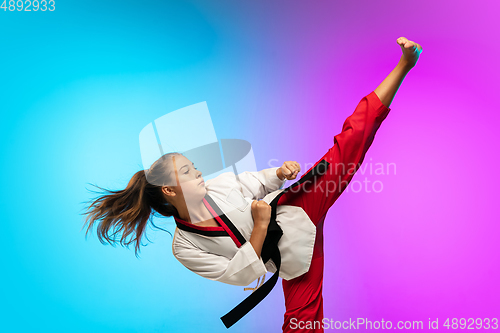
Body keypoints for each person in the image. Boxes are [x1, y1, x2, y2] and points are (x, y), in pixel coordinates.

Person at [82, 37, 422, 332]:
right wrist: (259, 227)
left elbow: (253, 182)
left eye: (194, 167)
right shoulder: (185, 246)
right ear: (169, 190)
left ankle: (404, 66)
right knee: (302, 321)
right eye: (187, 172)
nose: (198, 173)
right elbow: (241, 276)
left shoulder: (218, 187)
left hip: (297, 205)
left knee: (349, 144)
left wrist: (280, 173)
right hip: (291, 257)